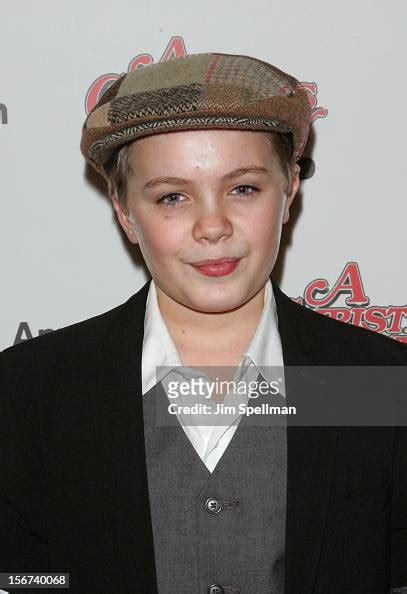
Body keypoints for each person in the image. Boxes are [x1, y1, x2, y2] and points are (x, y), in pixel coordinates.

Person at [1, 52, 406, 594]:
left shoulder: (377, 383)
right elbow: (26, 580)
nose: (212, 226)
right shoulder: (30, 392)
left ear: (288, 192)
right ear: (124, 212)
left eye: (243, 188)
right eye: (172, 197)